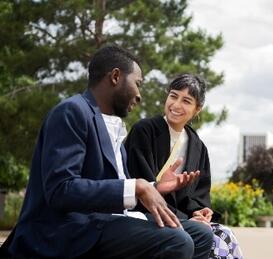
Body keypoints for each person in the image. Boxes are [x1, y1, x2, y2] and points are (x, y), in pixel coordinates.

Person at [2, 45, 213, 258]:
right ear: (115, 77)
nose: (139, 95)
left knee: (202, 235)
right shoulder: (72, 111)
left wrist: (155, 187)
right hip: (66, 229)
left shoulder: (110, 125)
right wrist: (137, 187)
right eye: (137, 84)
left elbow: (114, 188)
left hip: (105, 221)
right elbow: (60, 189)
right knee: (177, 241)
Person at [125, 73, 243, 259]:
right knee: (210, 236)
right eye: (173, 96)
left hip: (182, 217)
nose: (176, 105)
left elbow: (197, 195)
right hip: (145, 213)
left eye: (186, 101)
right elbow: (139, 183)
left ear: (197, 109)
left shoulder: (197, 146)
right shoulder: (144, 131)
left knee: (224, 233)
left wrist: (199, 212)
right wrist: (188, 219)